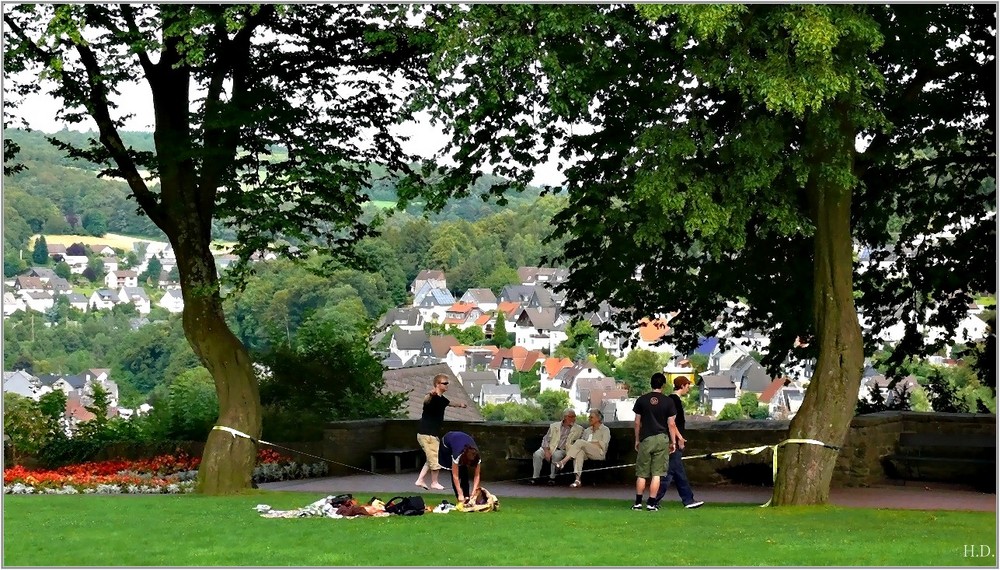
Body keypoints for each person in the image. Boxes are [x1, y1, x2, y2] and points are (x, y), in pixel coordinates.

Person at [631, 372, 682, 511]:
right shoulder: (668, 401)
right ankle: (651, 503)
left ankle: (637, 502)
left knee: (642, 473)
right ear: (663, 385)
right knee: (657, 473)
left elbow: (637, 422)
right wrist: (674, 442)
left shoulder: (642, 400)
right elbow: (671, 424)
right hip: (661, 438)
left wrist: (637, 439)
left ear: (651, 384)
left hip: (646, 438)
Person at [652, 376, 705, 509]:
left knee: (675, 472)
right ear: (682, 386)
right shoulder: (674, 400)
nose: (688, 388)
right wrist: (678, 439)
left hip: (672, 440)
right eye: (687, 385)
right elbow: (672, 423)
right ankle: (655, 500)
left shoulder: (672, 399)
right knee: (671, 472)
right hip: (673, 441)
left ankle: (687, 500)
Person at [414, 373, 468, 490]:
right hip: (426, 434)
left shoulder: (441, 399)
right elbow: (426, 400)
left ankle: (420, 479)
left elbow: (450, 403)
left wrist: (460, 405)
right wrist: (430, 393)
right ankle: (434, 482)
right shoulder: (432, 397)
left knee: (431, 458)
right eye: (445, 383)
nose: (447, 385)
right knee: (435, 458)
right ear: (437, 384)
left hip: (431, 434)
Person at [556, 408, 611, 487]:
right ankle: (577, 479)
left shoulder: (605, 430)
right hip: (587, 452)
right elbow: (582, 445)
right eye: (589, 417)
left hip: (599, 453)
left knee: (580, 442)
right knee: (579, 452)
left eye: (591, 417)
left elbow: (604, 444)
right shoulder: (587, 430)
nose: (589, 419)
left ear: (598, 418)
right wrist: (587, 444)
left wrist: (591, 443)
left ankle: (563, 462)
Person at [530, 409, 583, 485]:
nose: (573, 419)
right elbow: (546, 439)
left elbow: (580, 441)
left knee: (557, 455)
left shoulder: (579, 429)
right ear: (565, 417)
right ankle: (535, 478)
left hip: (563, 449)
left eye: (574, 416)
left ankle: (552, 478)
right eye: (570, 417)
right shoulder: (554, 426)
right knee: (537, 454)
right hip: (550, 447)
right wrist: (546, 451)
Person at [439, 430, 481, 506]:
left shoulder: (476, 456)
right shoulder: (457, 455)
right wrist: (460, 493)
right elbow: (455, 476)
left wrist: (474, 491)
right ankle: (460, 497)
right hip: (446, 444)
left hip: (460, 440)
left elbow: (477, 475)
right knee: (455, 471)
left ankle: (467, 497)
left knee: (464, 472)